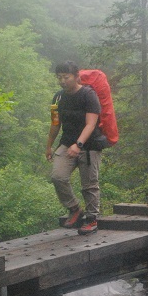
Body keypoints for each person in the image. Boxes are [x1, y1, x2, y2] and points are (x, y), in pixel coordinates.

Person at [46, 61, 102, 236]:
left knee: (89, 184)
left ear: (76, 76)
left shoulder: (88, 95)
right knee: (58, 176)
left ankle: (92, 219)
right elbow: (55, 123)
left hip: (89, 145)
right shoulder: (58, 98)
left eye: (66, 77)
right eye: (59, 77)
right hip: (66, 143)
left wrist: (78, 145)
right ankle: (75, 209)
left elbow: (91, 124)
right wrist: (49, 146)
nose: (62, 81)